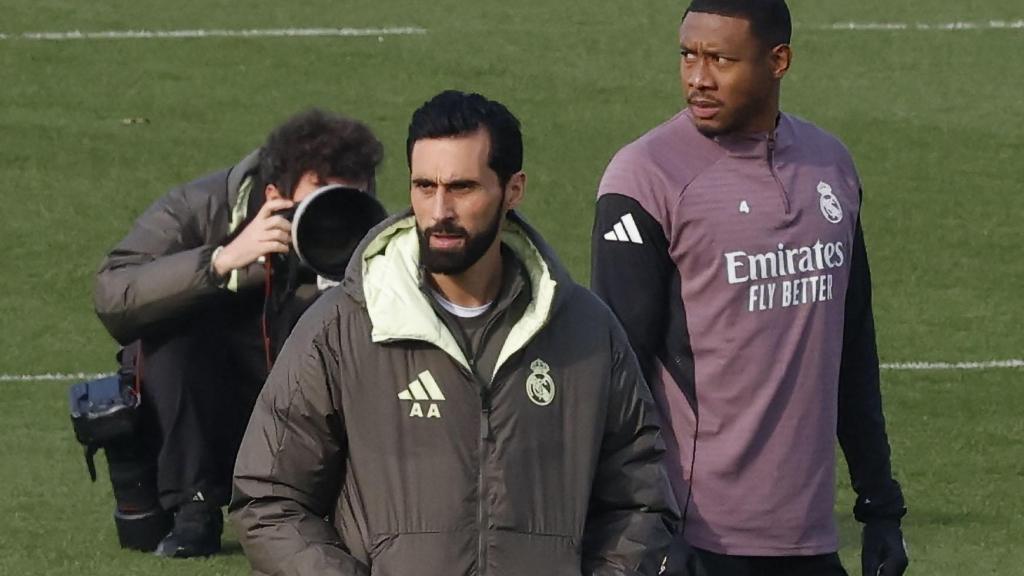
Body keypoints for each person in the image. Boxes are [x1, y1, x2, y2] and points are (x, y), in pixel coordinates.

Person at [230, 90, 679, 576]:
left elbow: (642, 501)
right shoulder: (341, 329)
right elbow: (268, 500)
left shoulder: (586, 332)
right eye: (424, 186)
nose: (439, 210)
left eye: (462, 188)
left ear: (513, 189)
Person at [590, 1, 908, 575]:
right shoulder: (646, 177)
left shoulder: (830, 167)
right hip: (695, 543)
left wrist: (880, 505)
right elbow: (617, 375)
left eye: (721, 59)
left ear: (778, 60)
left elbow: (852, 345)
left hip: (810, 542)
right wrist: (645, 528)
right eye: (688, 55)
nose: (698, 77)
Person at [92, 109, 384, 557]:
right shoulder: (201, 208)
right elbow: (114, 295)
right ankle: (195, 508)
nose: (333, 213)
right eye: (320, 196)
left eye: (350, 196)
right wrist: (220, 263)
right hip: (214, 394)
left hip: (302, 398)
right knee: (170, 329)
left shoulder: (369, 228)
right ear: (274, 194)